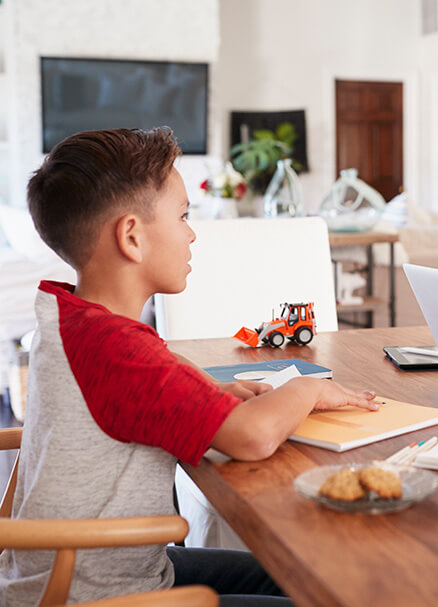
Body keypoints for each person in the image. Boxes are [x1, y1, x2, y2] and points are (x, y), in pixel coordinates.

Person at [0, 128, 379, 606]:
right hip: (98, 593)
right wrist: (307, 389)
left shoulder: (75, 318)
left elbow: (145, 369)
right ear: (132, 237)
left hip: (82, 569)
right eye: (183, 216)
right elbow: (252, 437)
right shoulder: (119, 349)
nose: (193, 231)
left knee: (295, 577)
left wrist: (198, 385)